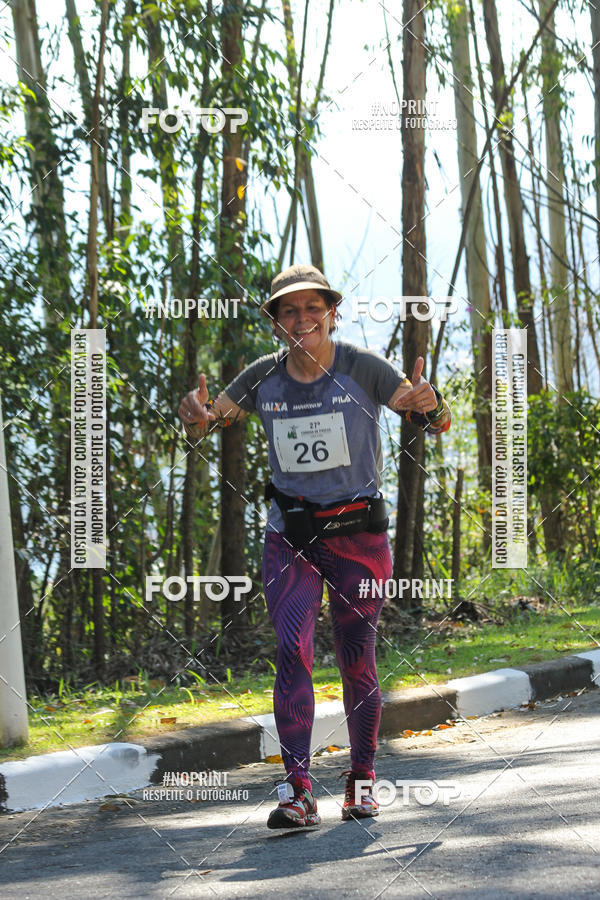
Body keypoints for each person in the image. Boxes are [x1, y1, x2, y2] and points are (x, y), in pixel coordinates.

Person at [178, 264, 451, 828]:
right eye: (288, 310)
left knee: (357, 658)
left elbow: (433, 418)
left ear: (331, 311)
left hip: (359, 540)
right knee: (292, 652)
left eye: (312, 307)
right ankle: (298, 791)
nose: (301, 318)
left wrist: (431, 401)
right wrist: (197, 419)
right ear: (276, 322)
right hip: (292, 539)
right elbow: (212, 420)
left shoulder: (362, 367)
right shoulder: (262, 377)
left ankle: (362, 782)